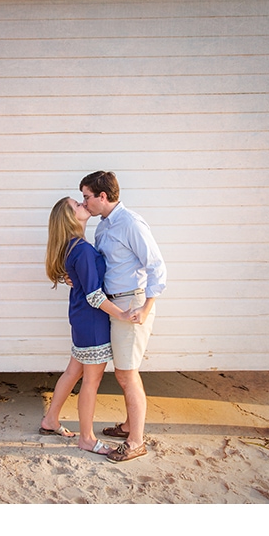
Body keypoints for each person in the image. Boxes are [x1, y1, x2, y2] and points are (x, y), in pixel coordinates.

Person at [79, 170, 167, 463]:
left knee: (127, 374)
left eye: (87, 196)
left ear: (102, 196)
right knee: (122, 372)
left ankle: (136, 442)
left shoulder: (131, 223)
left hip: (131, 304)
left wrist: (145, 307)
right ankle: (129, 426)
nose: (85, 202)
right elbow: (106, 266)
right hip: (112, 305)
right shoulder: (103, 227)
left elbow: (157, 267)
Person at [40, 197, 132, 455]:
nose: (83, 204)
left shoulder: (73, 246)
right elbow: (94, 295)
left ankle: (50, 420)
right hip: (92, 321)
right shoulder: (80, 248)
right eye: (77, 205)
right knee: (92, 381)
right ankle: (87, 439)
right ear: (69, 218)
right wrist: (122, 314)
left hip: (82, 318)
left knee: (73, 371)